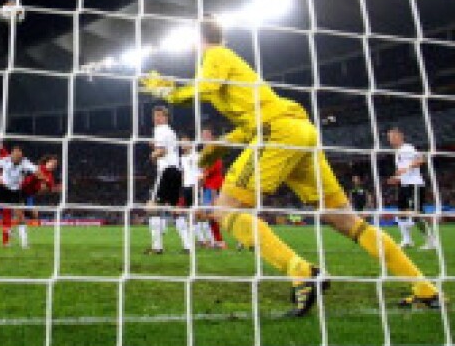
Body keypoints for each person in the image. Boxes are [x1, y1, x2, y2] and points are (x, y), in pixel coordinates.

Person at [140, 17, 440, 315]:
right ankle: (424, 288)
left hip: (278, 131)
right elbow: (247, 125)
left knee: (226, 208)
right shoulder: (230, 67)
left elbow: (205, 90)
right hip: (299, 131)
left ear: (197, 37)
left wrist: (169, 92)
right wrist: (218, 146)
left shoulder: (215, 55)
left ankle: (301, 272)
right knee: (346, 221)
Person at [145, 106, 187, 254]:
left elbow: (162, 151)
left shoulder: (160, 129)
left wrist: (152, 156)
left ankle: (157, 247)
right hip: (176, 171)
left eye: (159, 116)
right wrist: (155, 147)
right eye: (154, 115)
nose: (156, 118)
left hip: (166, 171)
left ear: (166, 118)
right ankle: (187, 245)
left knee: (152, 207)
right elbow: (167, 148)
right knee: (175, 208)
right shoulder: (171, 131)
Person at [387, 127, 436, 250]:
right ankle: (407, 240)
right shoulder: (397, 152)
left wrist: (406, 168)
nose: (390, 140)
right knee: (401, 212)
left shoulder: (408, 148)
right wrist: (396, 177)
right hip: (404, 185)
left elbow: (421, 159)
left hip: (415, 185)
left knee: (416, 214)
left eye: (393, 137)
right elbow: (403, 170)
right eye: (389, 138)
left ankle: (431, 240)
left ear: (400, 137)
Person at [0, 144, 38, 248]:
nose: (17, 155)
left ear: (22, 154)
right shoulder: (5, 160)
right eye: (15, 152)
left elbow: (36, 169)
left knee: (20, 215)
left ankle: (24, 243)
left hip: (16, 191)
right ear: (11, 153)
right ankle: (7, 232)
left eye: (19, 152)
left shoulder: (25, 162)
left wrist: (41, 177)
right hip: (3, 189)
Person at [198, 127, 225, 248]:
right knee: (209, 216)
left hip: (213, 187)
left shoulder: (214, 151)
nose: (204, 137)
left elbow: (213, 170)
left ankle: (217, 241)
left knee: (211, 215)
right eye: (202, 134)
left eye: (206, 134)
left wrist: (202, 177)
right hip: (207, 187)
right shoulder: (205, 151)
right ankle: (215, 241)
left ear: (212, 137)